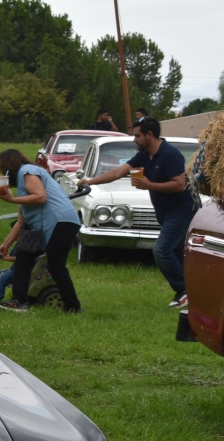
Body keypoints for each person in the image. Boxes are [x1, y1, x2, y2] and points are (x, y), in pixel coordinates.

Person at [81, 116, 198, 307]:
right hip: (166, 212)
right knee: (176, 253)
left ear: (149, 135)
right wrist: (90, 182)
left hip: (182, 210)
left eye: (137, 136)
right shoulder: (144, 155)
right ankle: (195, 293)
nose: (134, 140)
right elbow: (118, 172)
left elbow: (179, 185)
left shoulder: (170, 155)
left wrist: (148, 184)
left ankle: (183, 291)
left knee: (161, 251)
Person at [0, 149, 83, 312]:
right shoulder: (22, 187)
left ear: (8, 166)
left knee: (56, 266)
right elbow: (21, 223)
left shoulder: (27, 171)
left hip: (62, 222)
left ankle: (73, 307)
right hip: (53, 225)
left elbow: (41, 196)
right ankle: (20, 301)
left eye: (2, 170)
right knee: (23, 255)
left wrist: (11, 199)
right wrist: (6, 244)